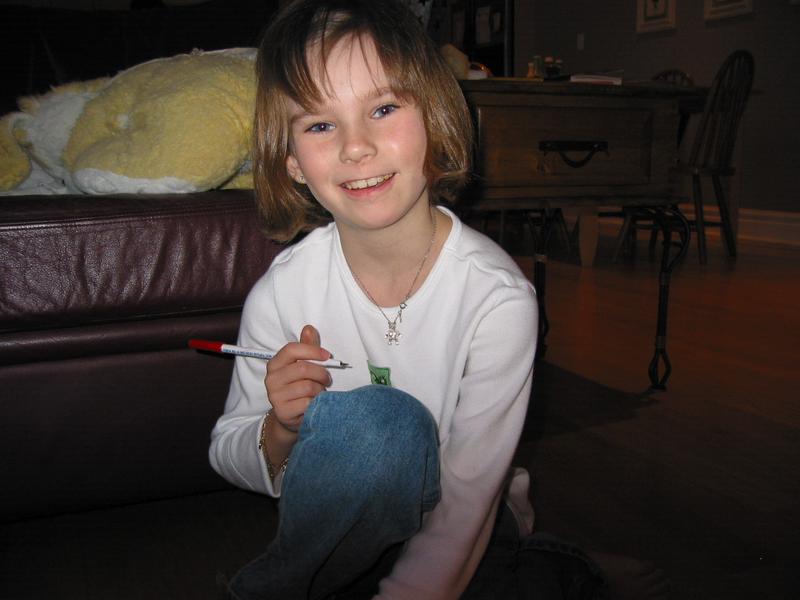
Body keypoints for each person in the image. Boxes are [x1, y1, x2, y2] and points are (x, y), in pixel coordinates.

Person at [209, 1, 662, 599]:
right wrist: (280, 428)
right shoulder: (283, 290)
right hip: (347, 529)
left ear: (436, 119)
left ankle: (559, 567)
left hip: (467, 522)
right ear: (291, 161)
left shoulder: (497, 299)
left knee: (476, 567)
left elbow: (466, 500)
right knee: (378, 429)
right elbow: (229, 452)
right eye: (320, 125)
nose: (356, 147)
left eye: (383, 109)